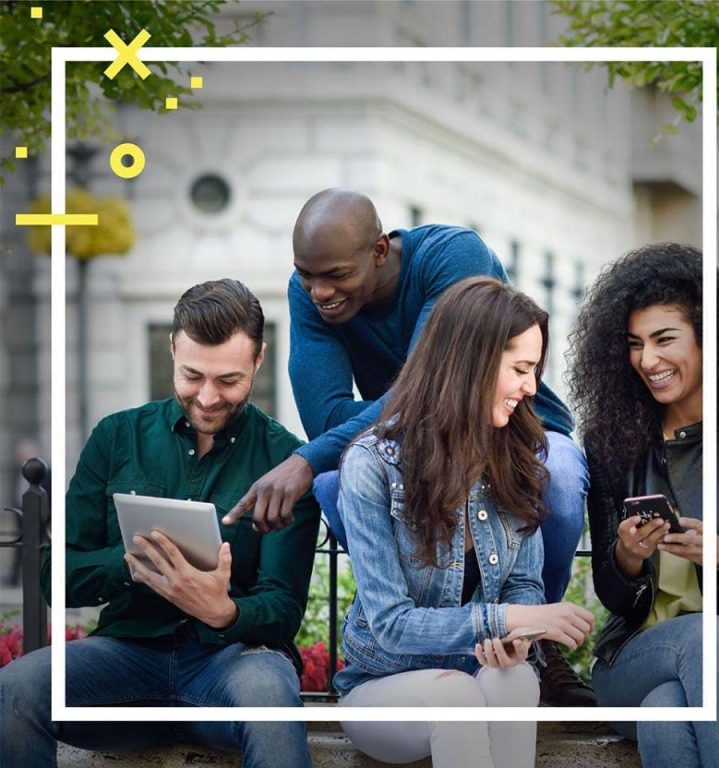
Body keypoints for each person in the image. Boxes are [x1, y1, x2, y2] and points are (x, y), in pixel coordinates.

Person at [224, 188, 594, 706]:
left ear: (379, 251)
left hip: (514, 430)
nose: (318, 291)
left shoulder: (452, 256)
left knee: (555, 473)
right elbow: (328, 417)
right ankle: (416, 637)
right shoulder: (309, 288)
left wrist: (309, 456)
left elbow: (448, 383)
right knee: (339, 479)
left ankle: (539, 645)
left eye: (335, 275)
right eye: (306, 275)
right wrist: (347, 442)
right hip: (409, 447)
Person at [0, 279, 320, 768]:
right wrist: (133, 563)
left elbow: (284, 604)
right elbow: (53, 578)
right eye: (192, 375)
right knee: (16, 687)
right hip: (125, 656)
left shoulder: (283, 461)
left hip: (233, 662)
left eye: (229, 380)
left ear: (259, 359)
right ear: (172, 348)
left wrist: (223, 613)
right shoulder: (117, 436)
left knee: (271, 700)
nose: (208, 397)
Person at [334, 277, 594, 768]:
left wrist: (514, 641)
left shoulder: (519, 458)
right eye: (520, 369)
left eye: (534, 370)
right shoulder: (373, 464)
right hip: (385, 687)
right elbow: (390, 625)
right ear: (472, 362)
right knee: (454, 696)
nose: (531, 387)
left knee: (515, 679)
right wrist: (513, 619)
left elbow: (522, 583)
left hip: (479, 673)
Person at [568, 244, 719, 767]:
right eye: (635, 344)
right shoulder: (612, 441)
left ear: (708, 340)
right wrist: (628, 556)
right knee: (700, 642)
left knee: (666, 714)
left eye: (664, 339)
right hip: (640, 655)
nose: (647, 360)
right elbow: (614, 597)